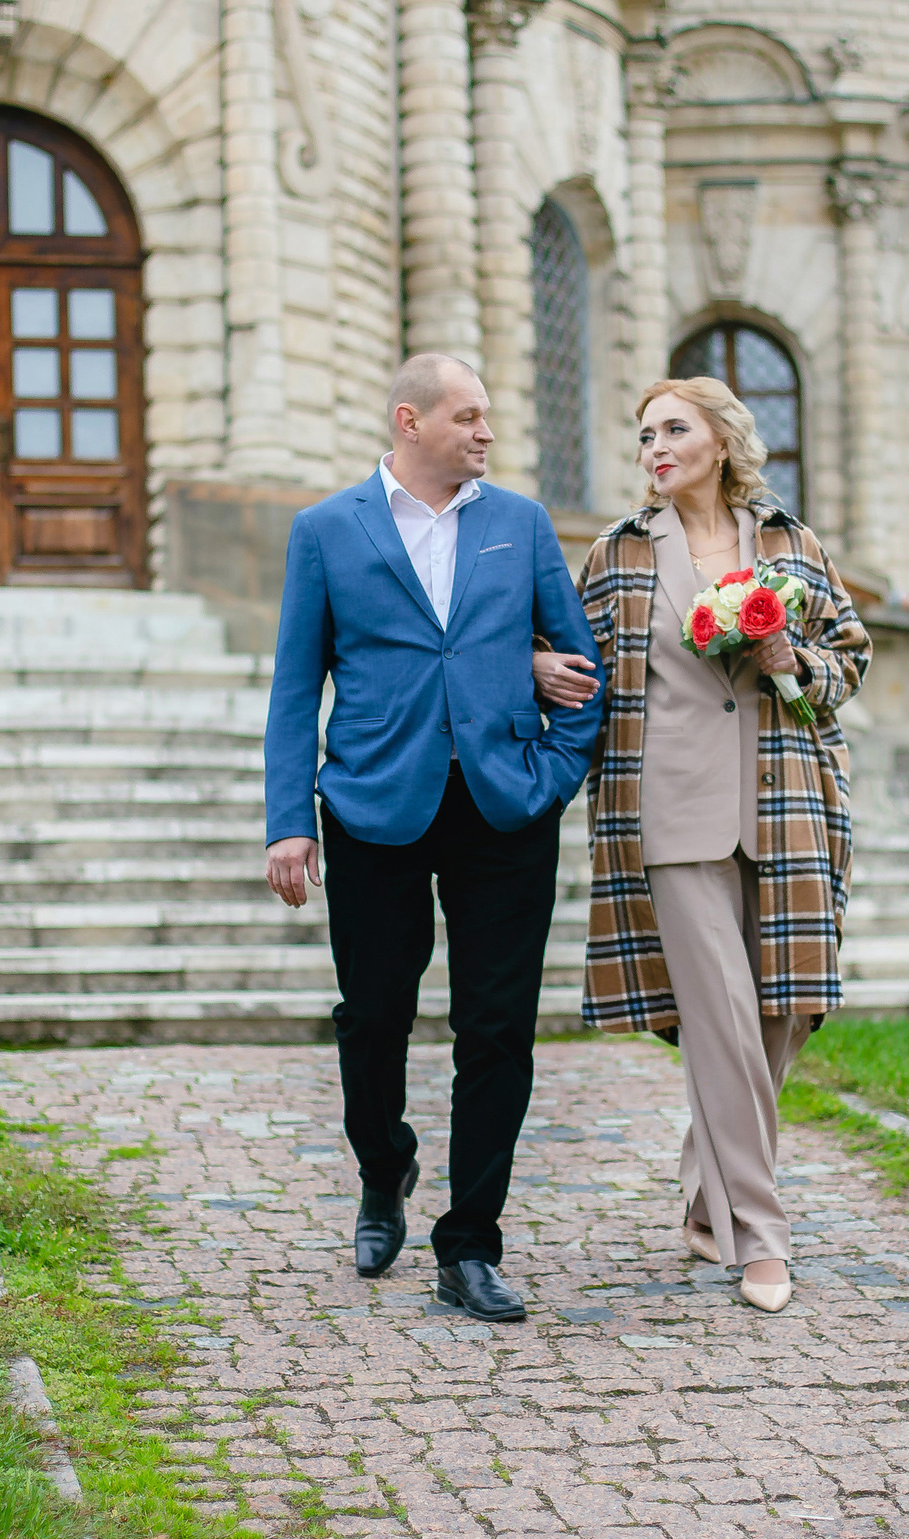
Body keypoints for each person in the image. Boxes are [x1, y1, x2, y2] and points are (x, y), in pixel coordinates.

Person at [264, 352, 606, 1323]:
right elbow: (296, 687)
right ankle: (385, 1170)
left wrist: (551, 776)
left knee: (495, 1031)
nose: (487, 432)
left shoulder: (519, 524)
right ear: (410, 421)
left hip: (503, 807)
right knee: (371, 1017)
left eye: (488, 416)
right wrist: (289, 821)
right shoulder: (326, 531)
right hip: (375, 804)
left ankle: (471, 1246)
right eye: (469, 417)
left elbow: (580, 663)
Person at [534, 375, 870, 1314]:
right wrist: (530, 665)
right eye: (645, 434)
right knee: (720, 1014)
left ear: (720, 442)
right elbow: (558, 652)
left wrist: (791, 660)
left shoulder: (792, 545)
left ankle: (703, 1191)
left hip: (788, 798)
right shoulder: (617, 554)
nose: (656, 446)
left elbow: (851, 657)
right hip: (669, 809)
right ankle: (760, 1235)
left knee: (782, 1013)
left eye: (674, 429)